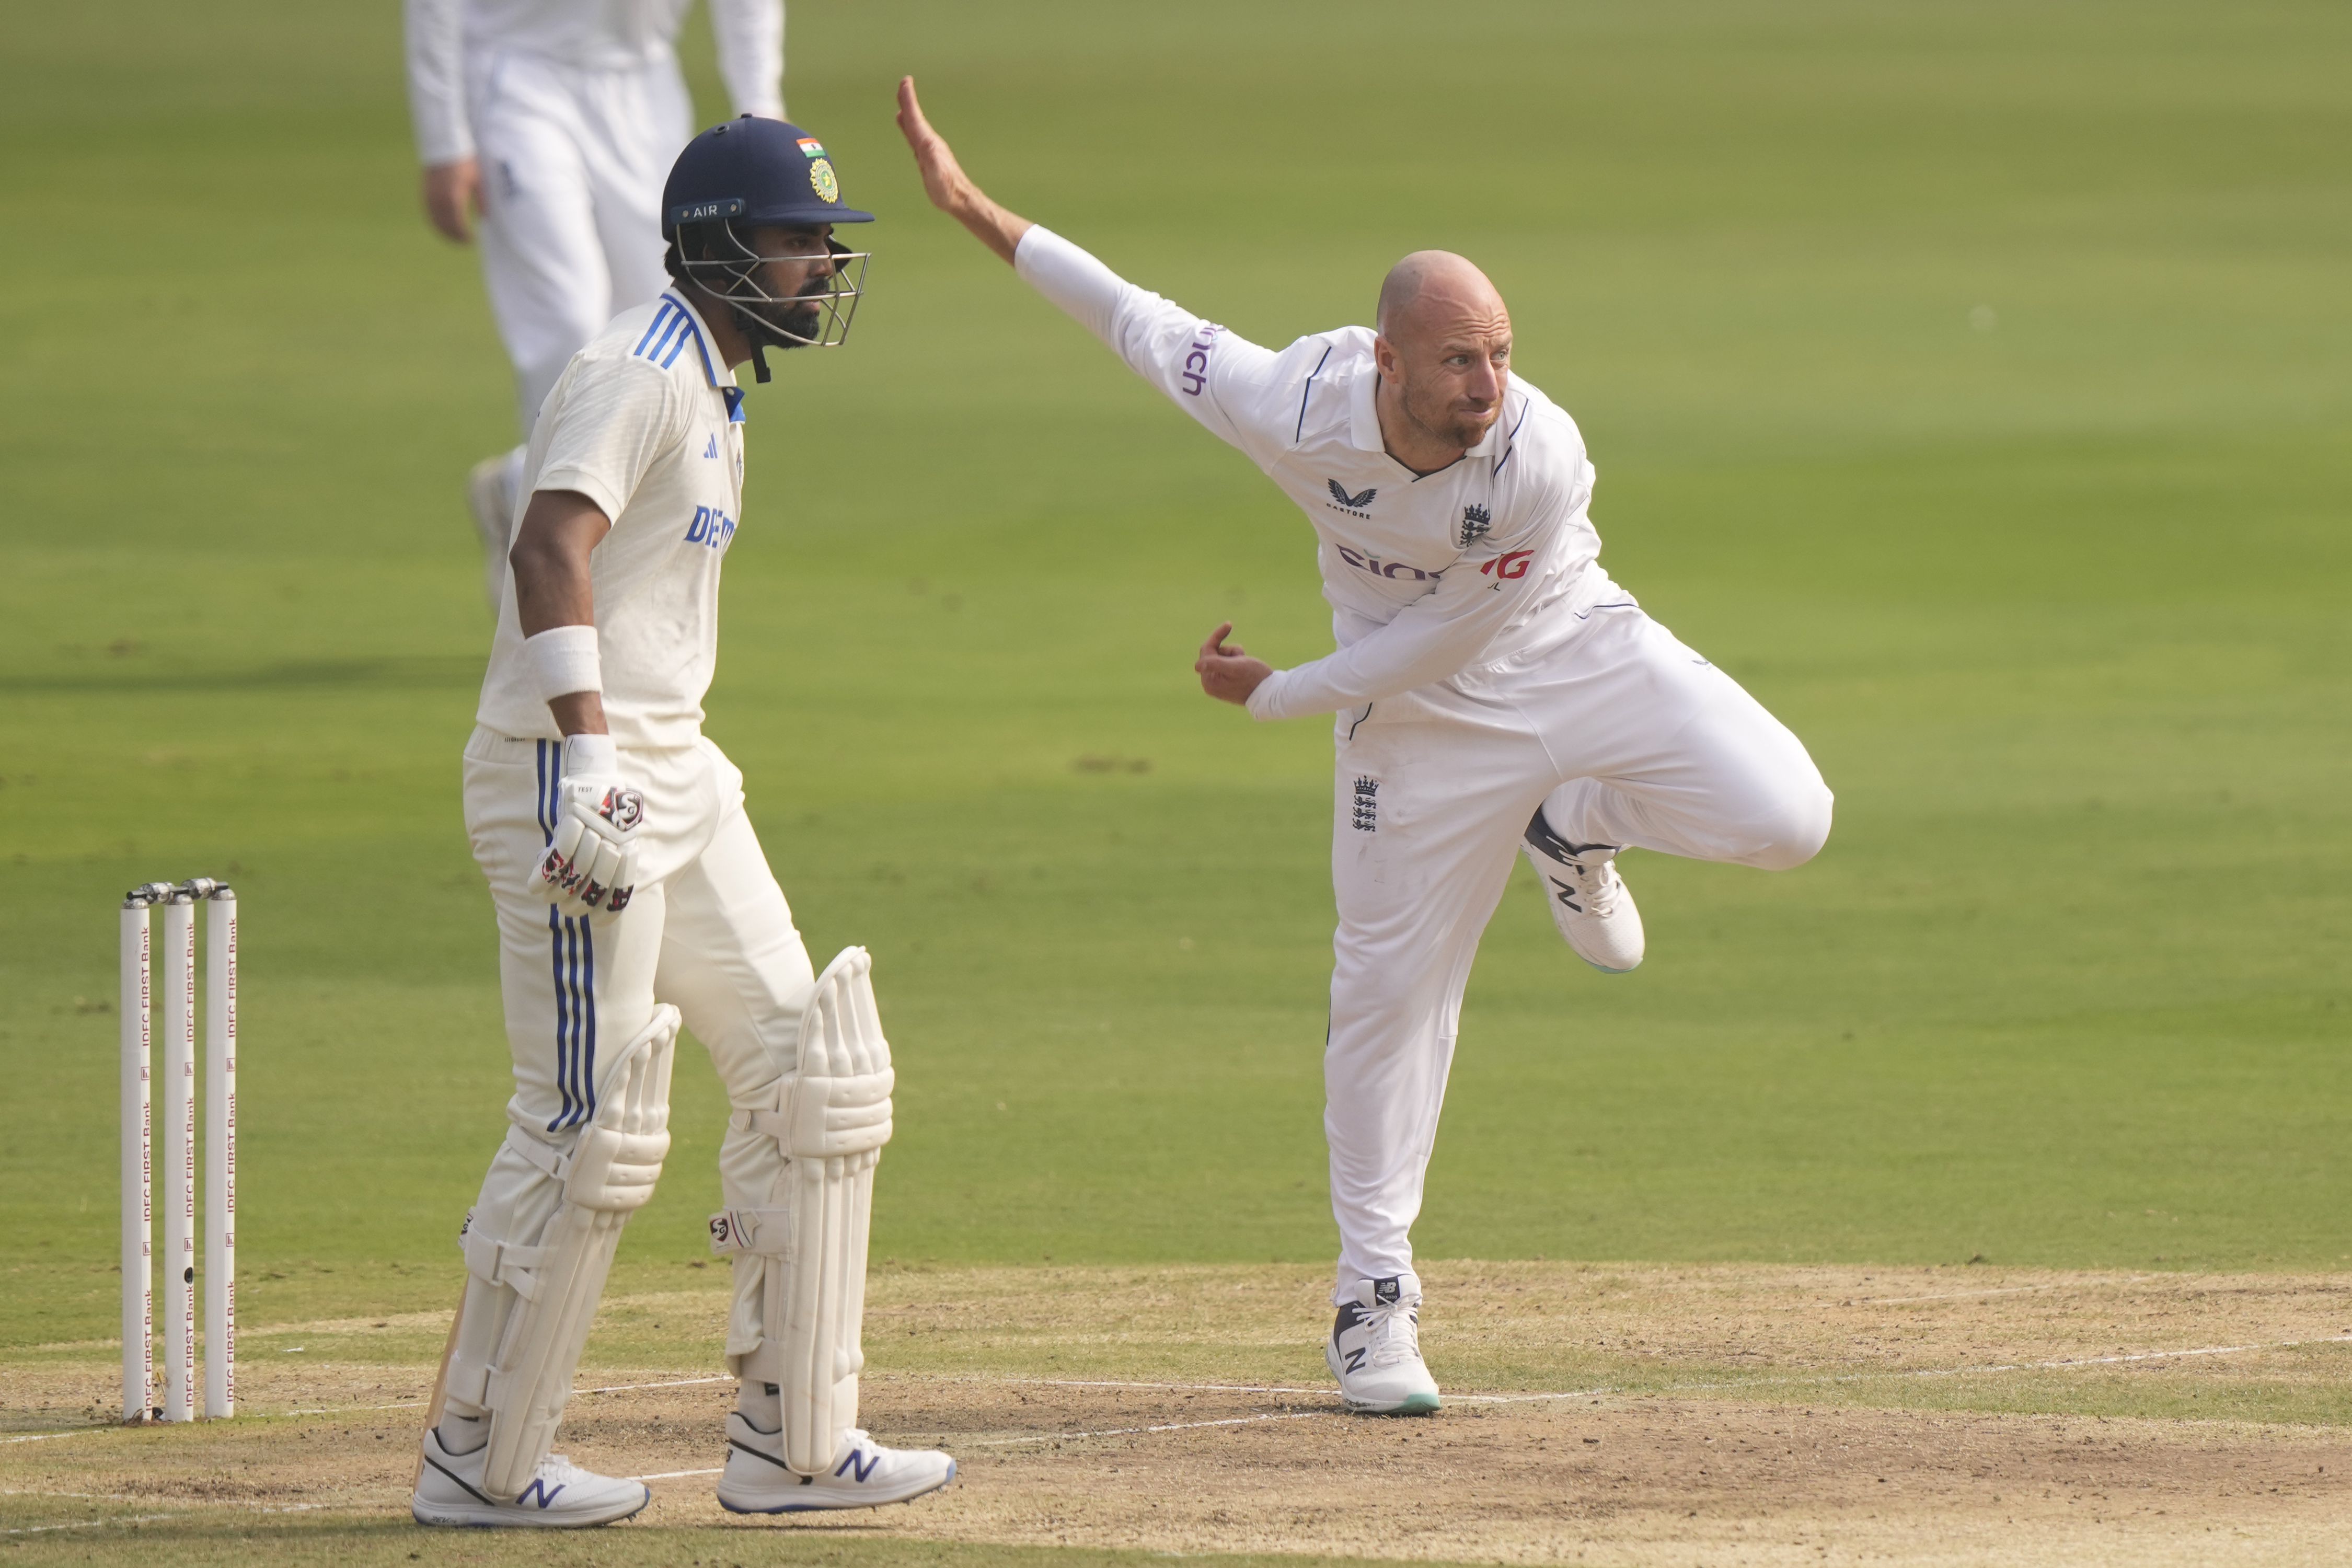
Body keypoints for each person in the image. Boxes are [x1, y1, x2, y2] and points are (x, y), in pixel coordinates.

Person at [895, 79, 1834, 1416]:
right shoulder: (1289, 403)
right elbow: (1132, 319)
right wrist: (968, 205)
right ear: (1388, 360)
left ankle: (1572, 822)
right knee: (1386, 993)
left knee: (1787, 816)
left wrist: (1281, 695)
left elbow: (1444, 639)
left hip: (1562, 640)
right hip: (1417, 728)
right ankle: (1372, 1297)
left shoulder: (1537, 458)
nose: (1487, 384)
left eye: (1500, 354)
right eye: (1459, 360)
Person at [410, 115, 954, 1527]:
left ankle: (790, 1439)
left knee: (807, 1069)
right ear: (718, 242)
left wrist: (640, 753)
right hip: (571, 778)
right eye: (799, 239)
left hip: (678, 768)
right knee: (589, 1122)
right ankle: (478, 1449)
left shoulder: (717, 378)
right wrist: (588, 758)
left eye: (826, 243)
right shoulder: (637, 373)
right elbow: (547, 546)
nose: (822, 265)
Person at [404, 0, 788, 606]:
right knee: (568, 322)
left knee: (660, 336)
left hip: (645, 87)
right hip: (516, 75)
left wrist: (762, 114)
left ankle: (517, 487)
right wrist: (443, 137)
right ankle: (562, 572)